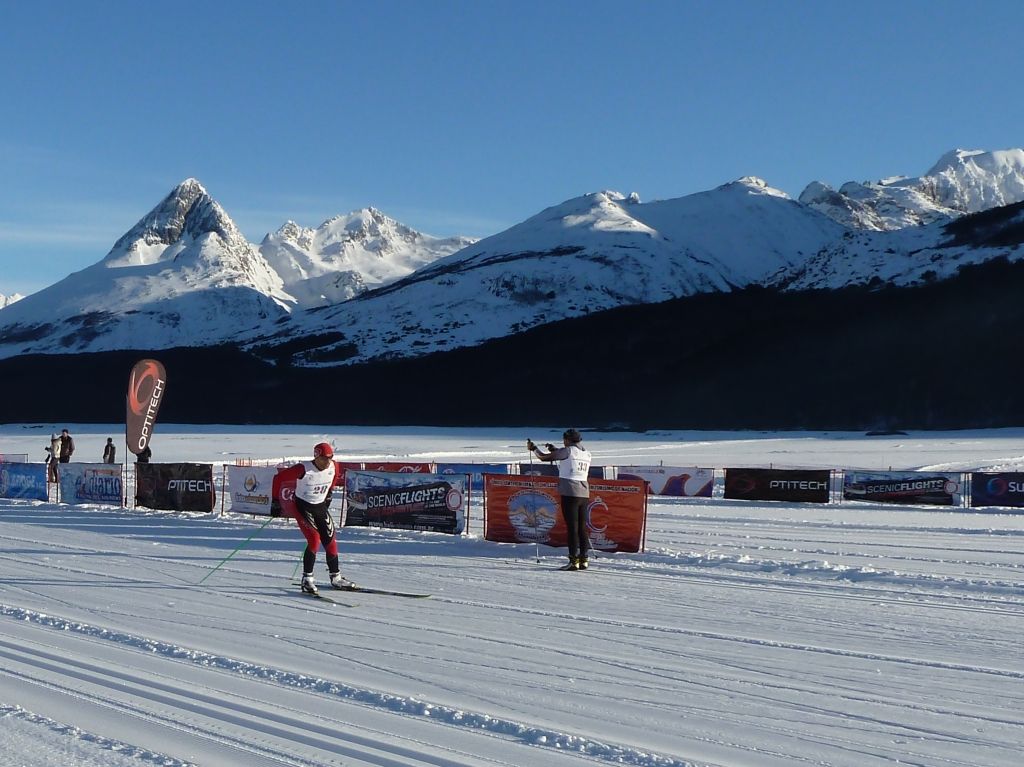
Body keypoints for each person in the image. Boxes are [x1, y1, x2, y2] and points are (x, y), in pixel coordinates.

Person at [272, 442, 356, 594]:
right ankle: (307, 579)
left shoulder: (333, 466)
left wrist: (329, 493)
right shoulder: (302, 469)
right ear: (316, 457)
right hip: (302, 507)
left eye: (330, 458)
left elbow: (335, 477)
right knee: (314, 539)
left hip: (320, 506)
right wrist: (275, 501)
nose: (327, 462)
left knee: (330, 539)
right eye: (324, 459)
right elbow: (278, 479)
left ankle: (335, 577)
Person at [527, 428, 593, 571]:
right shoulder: (586, 453)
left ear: (568, 440)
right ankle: (584, 559)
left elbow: (543, 458)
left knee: (572, 529)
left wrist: (534, 449)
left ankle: (573, 561)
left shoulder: (567, 450)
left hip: (570, 492)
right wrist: (555, 449)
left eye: (564, 440)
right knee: (582, 528)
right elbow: (569, 458)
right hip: (584, 493)